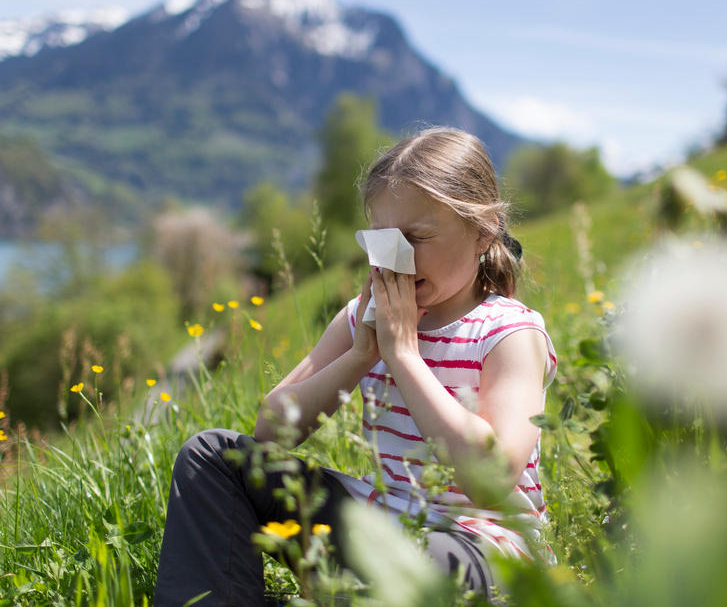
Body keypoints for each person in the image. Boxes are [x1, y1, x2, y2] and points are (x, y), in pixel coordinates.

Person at [154, 127, 557, 606]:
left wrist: (404, 355)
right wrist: (361, 354)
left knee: (422, 564)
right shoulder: (363, 318)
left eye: (417, 237)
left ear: (483, 230)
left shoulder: (509, 332)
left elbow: (491, 478)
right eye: (385, 240)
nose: (398, 257)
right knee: (212, 457)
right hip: (384, 521)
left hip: (482, 547)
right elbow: (269, 429)